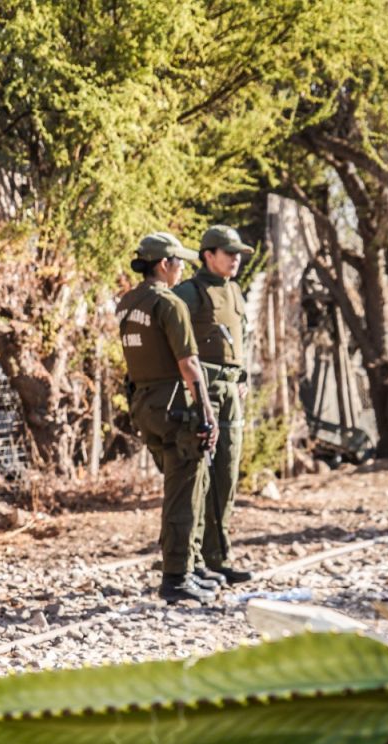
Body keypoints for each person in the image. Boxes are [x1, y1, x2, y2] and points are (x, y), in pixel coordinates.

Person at [117, 232, 220, 604]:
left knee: (185, 485)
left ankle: (189, 565)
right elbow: (189, 363)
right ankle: (176, 577)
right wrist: (208, 413)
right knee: (184, 491)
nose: (182, 271)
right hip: (175, 406)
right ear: (164, 264)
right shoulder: (169, 303)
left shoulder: (128, 302)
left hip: (146, 404)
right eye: (179, 263)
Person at [174, 225, 255, 585]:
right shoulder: (189, 292)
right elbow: (168, 331)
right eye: (229, 253)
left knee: (227, 473)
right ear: (208, 255)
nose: (236, 259)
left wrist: (243, 376)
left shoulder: (235, 290)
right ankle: (189, 560)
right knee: (199, 476)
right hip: (202, 391)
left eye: (239, 254)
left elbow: (241, 340)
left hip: (231, 391)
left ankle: (218, 557)